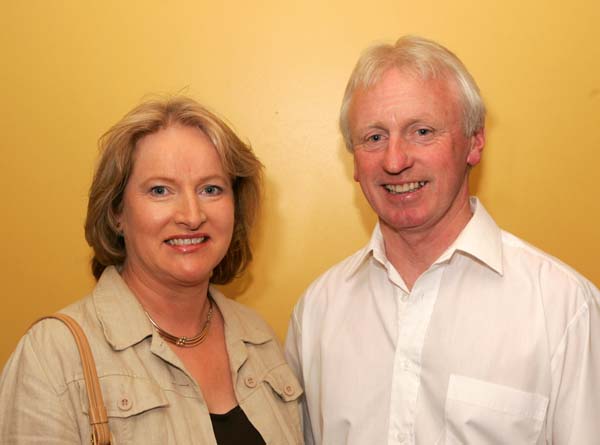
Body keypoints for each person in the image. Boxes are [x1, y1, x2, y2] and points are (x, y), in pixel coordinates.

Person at [285, 35, 600, 444]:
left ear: (475, 141)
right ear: (355, 163)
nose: (395, 161)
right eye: (374, 137)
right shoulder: (317, 313)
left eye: (422, 131)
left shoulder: (563, 309)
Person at [0, 96, 303, 444]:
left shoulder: (259, 339)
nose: (191, 215)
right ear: (117, 212)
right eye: (160, 190)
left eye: (211, 189)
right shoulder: (52, 356)